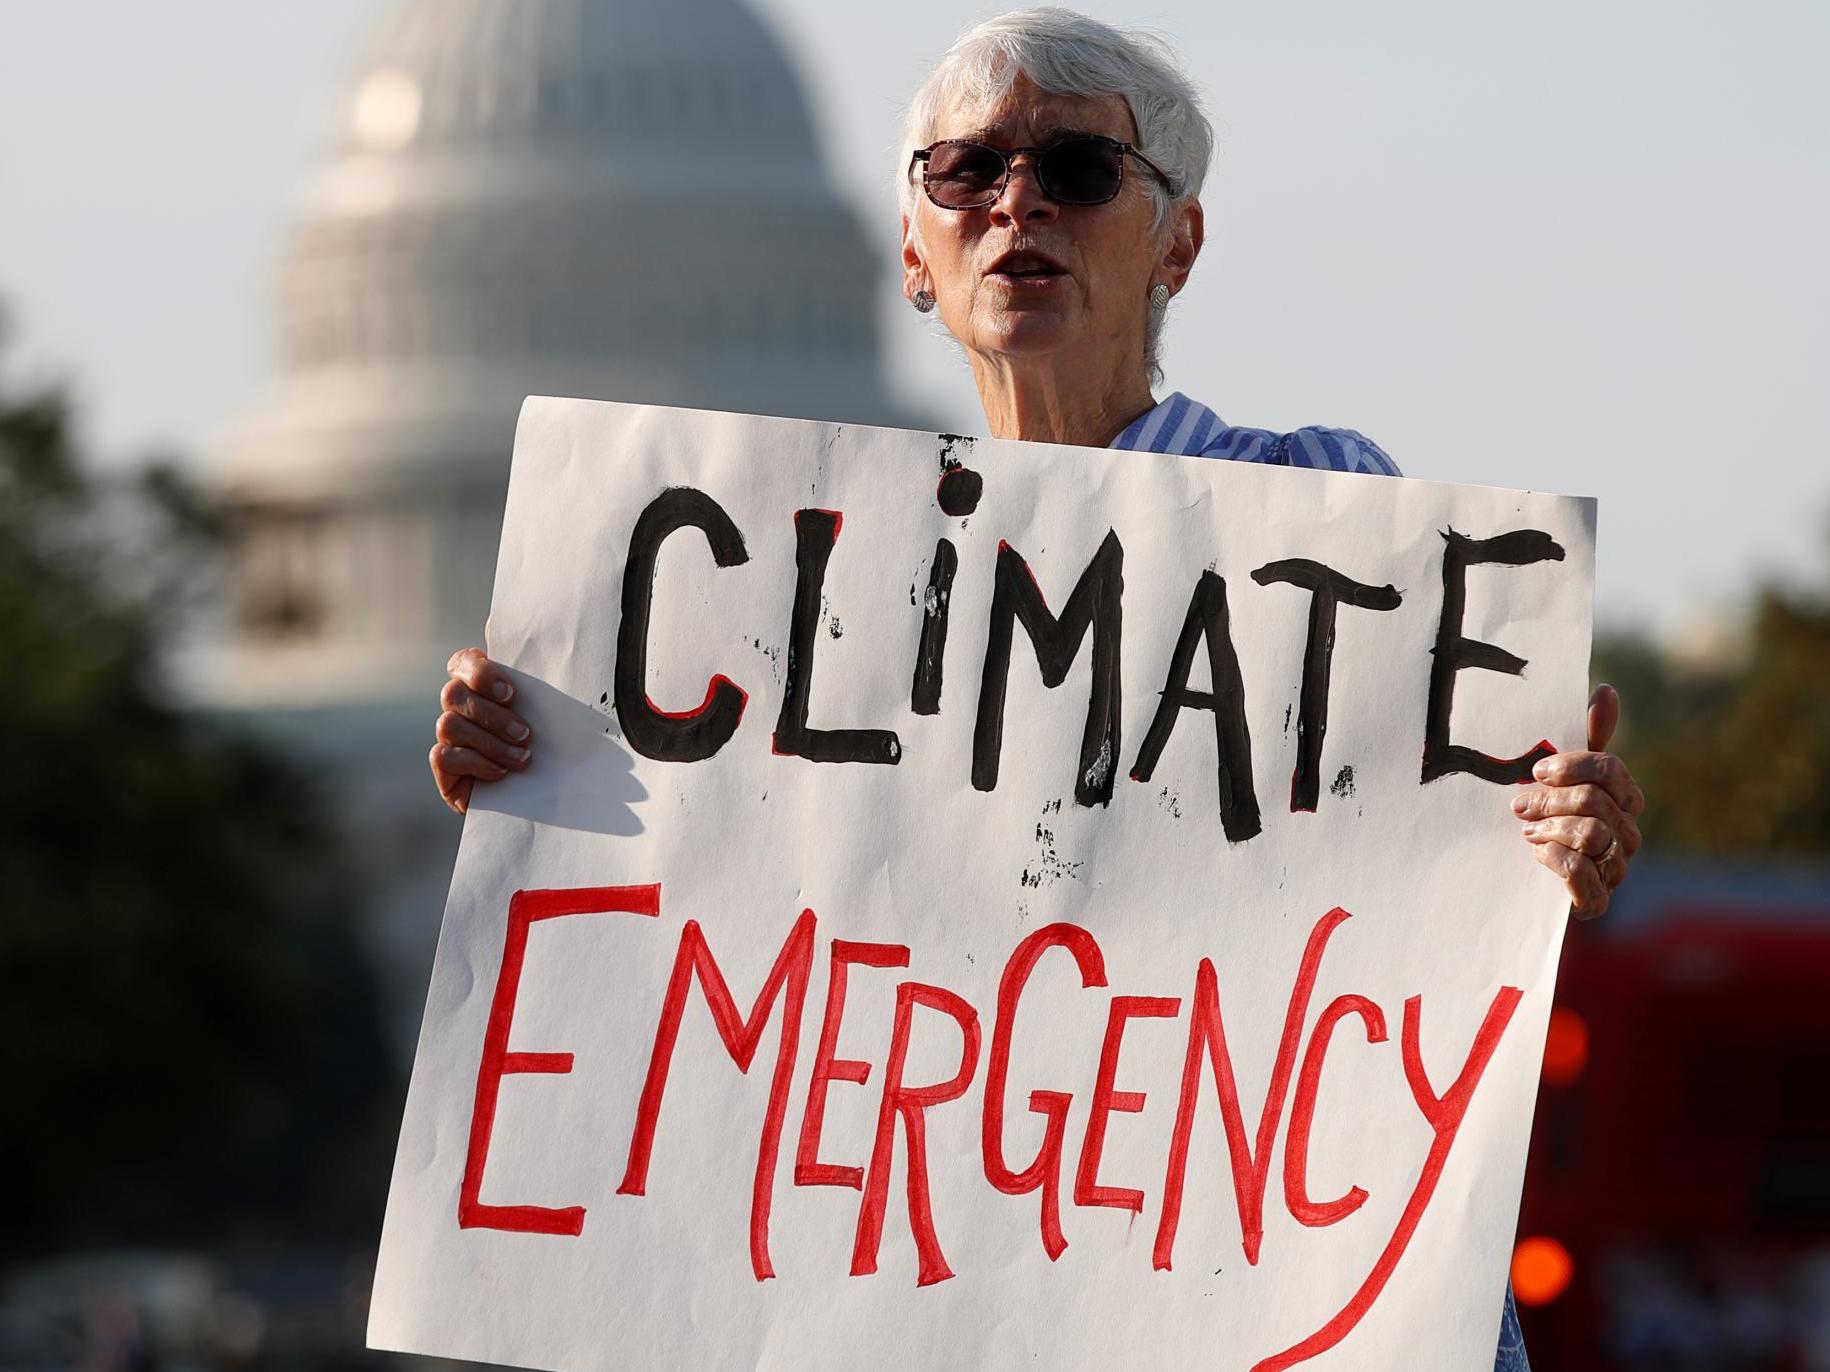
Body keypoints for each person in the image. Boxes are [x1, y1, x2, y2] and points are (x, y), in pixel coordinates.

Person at [428, 10, 1646, 1367]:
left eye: (1077, 168)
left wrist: (1547, 840)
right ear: (913, 251)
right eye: (967, 171)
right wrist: (543, 773)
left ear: (1176, 242)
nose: (1018, 203)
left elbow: (1424, 901)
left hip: (1268, 1291)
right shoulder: (790, 590)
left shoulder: (1325, 514)